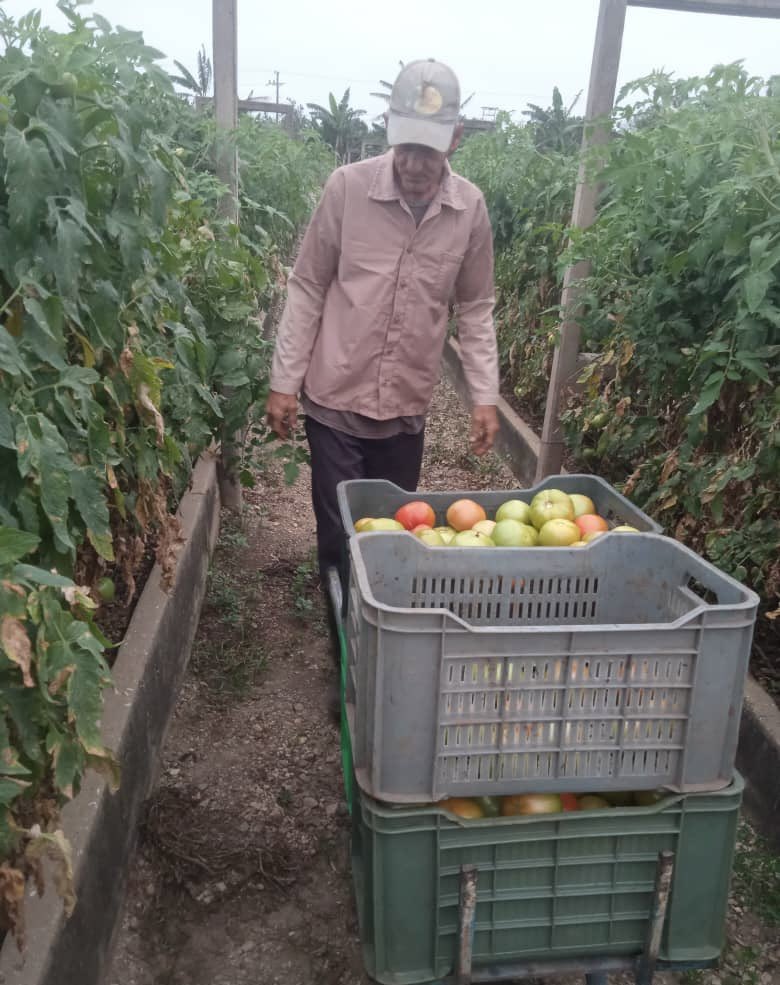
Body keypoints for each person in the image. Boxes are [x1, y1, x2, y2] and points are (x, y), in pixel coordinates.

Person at [266, 57, 500, 619]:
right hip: (335, 398)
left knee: (394, 531)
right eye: (407, 146)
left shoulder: (468, 209)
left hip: (405, 406)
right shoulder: (347, 189)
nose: (416, 163)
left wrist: (484, 394)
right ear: (389, 132)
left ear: (456, 140)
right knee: (340, 531)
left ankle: (378, 637)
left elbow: (475, 305)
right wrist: (284, 382)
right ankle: (345, 647)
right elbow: (308, 285)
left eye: (431, 149)